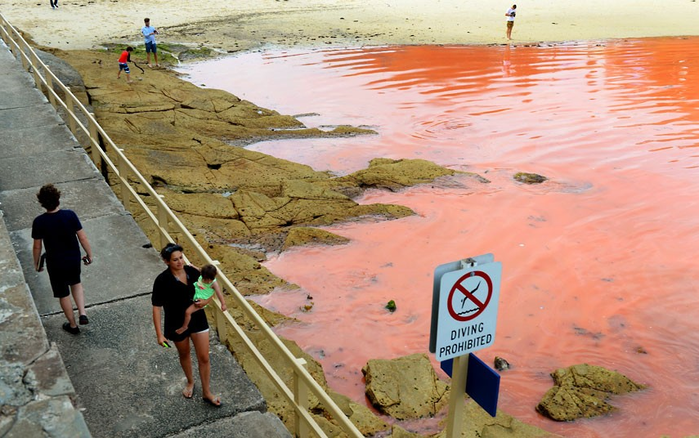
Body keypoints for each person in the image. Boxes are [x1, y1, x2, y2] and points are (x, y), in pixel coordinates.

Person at [152, 243, 222, 407]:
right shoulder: (161, 280)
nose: (179, 262)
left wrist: (205, 301)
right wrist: (159, 334)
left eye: (181, 258)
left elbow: (210, 287)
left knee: (204, 357)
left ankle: (207, 392)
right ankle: (190, 382)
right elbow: (156, 307)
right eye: (175, 260)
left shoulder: (192, 271)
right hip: (175, 322)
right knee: (184, 354)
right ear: (166, 261)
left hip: (197, 318)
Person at [32, 184, 93, 335]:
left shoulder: (39, 222)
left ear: (42, 203)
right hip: (73, 258)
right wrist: (89, 254)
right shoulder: (70, 215)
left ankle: (72, 325)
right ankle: (82, 312)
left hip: (55, 263)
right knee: (76, 284)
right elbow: (82, 237)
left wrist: (37, 263)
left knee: (63, 293)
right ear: (58, 199)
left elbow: (37, 247)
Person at [175, 264, 227, 335]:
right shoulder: (202, 274)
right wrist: (193, 266)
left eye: (208, 279)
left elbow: (219, 294)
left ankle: (184, 326)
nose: (206, 281)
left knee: (188, 312)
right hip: (195, 291)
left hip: (200, 300)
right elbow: (199, 269)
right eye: (204, 278)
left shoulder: (214, 283)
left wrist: (223, 304)